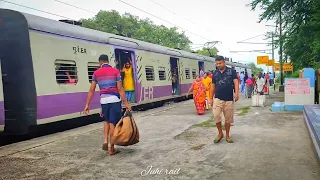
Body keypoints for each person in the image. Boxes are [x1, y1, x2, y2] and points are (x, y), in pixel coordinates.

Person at [83, 54, 131, 156]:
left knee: (106, 120)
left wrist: (87, 104)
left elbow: (91, 90)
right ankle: (112, 149)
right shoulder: (115, 71)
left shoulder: (96, 73)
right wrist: (126, 103)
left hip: (103, 101)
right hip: (114, 100)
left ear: (100, 62)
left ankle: (105, 140)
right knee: (113, 123)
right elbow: (120, 89)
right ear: (108, 61)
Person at [209, 56, 239, 143]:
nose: (218, 65)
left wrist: (236, 93)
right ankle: (220, 133)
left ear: (224, 62)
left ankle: (227, 135)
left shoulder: (231, 71)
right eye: (217, 63)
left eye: (220, 63)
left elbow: (236, 82)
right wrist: (210, 98)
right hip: (218, 98)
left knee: (228, 119)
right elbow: (213, 86)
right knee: (216, 116)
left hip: (229, 99)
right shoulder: (215, 73)